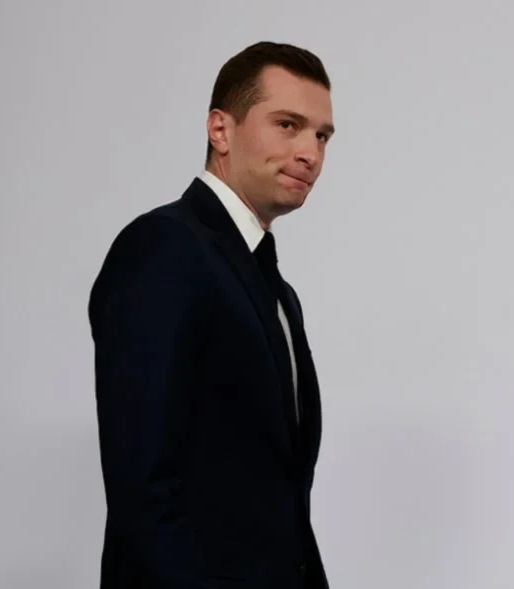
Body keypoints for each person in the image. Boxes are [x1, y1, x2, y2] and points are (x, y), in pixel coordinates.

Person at [87, 41, 336, 588]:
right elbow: (143, 486)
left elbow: (279, 494)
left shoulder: (278, 291)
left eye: (322, 135)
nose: (311, 153)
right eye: (288, 125)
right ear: (220, 130)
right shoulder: (162, 248)